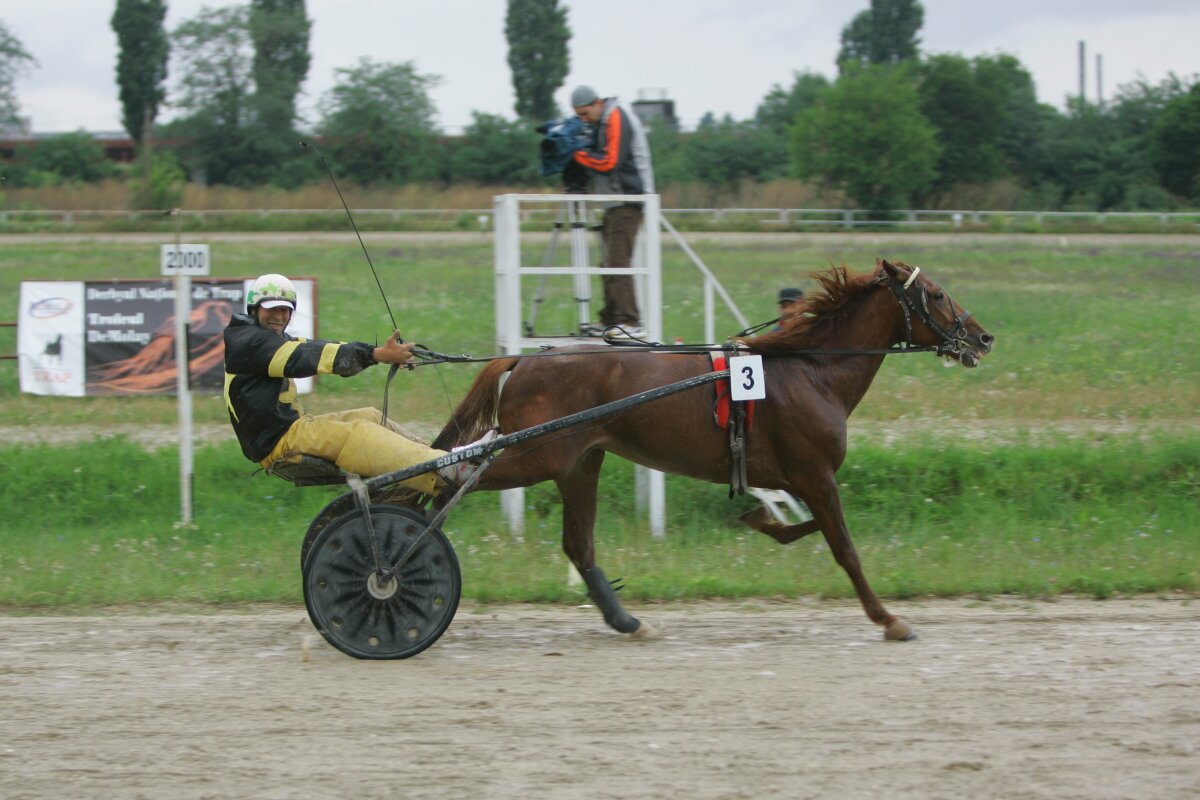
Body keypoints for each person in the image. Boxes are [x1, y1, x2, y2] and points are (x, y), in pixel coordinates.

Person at [223, 273, 491, 494]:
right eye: (272, 309)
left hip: (290, 429)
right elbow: (307, 357)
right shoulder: (251, 342)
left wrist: (381, 355)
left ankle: (439, 457)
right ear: (255, 309)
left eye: (285, 310)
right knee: (358, 433)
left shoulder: (262, 338)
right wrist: (376, 355)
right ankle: (443, 467)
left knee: (370, 416)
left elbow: (318, 346)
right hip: (279, 441)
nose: (279, 316)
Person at [570, 85, 655, 340]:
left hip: (628, 200)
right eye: (579, 117)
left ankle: (630, 320)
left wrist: (576, 153)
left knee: (618, 263)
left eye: (585, 114)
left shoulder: (616, 116)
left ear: (597, 103)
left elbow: (609, 161)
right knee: (607, 264)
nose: (583, 120)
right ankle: (610, 318)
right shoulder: (601, 121)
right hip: (613, 202)